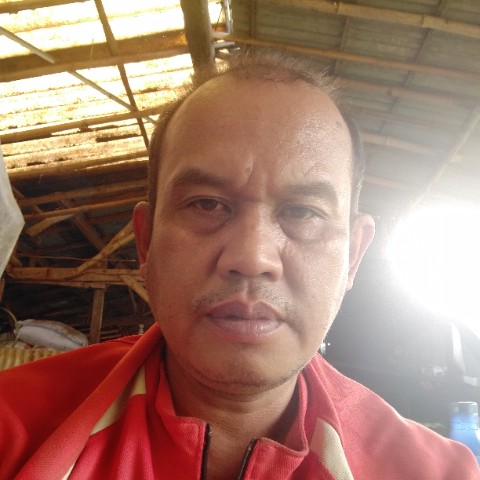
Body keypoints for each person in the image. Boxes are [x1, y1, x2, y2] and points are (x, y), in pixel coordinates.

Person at [0, 48, 477, 480]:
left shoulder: (436, 473)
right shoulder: (12, 428)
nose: (251, 258)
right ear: (145, 243)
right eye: (207, 204)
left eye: (303, 213)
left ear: (353, 256)